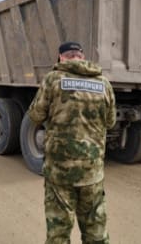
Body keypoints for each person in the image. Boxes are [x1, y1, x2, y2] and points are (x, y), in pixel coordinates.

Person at [27, 41, 116, 244]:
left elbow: (35, 115)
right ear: (81, 57)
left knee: (58, 235)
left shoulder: (52, 79)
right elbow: (110, 122)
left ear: (61, 57)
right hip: (92, 173)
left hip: (60, 174)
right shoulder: (104, 83)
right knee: (96, 234)